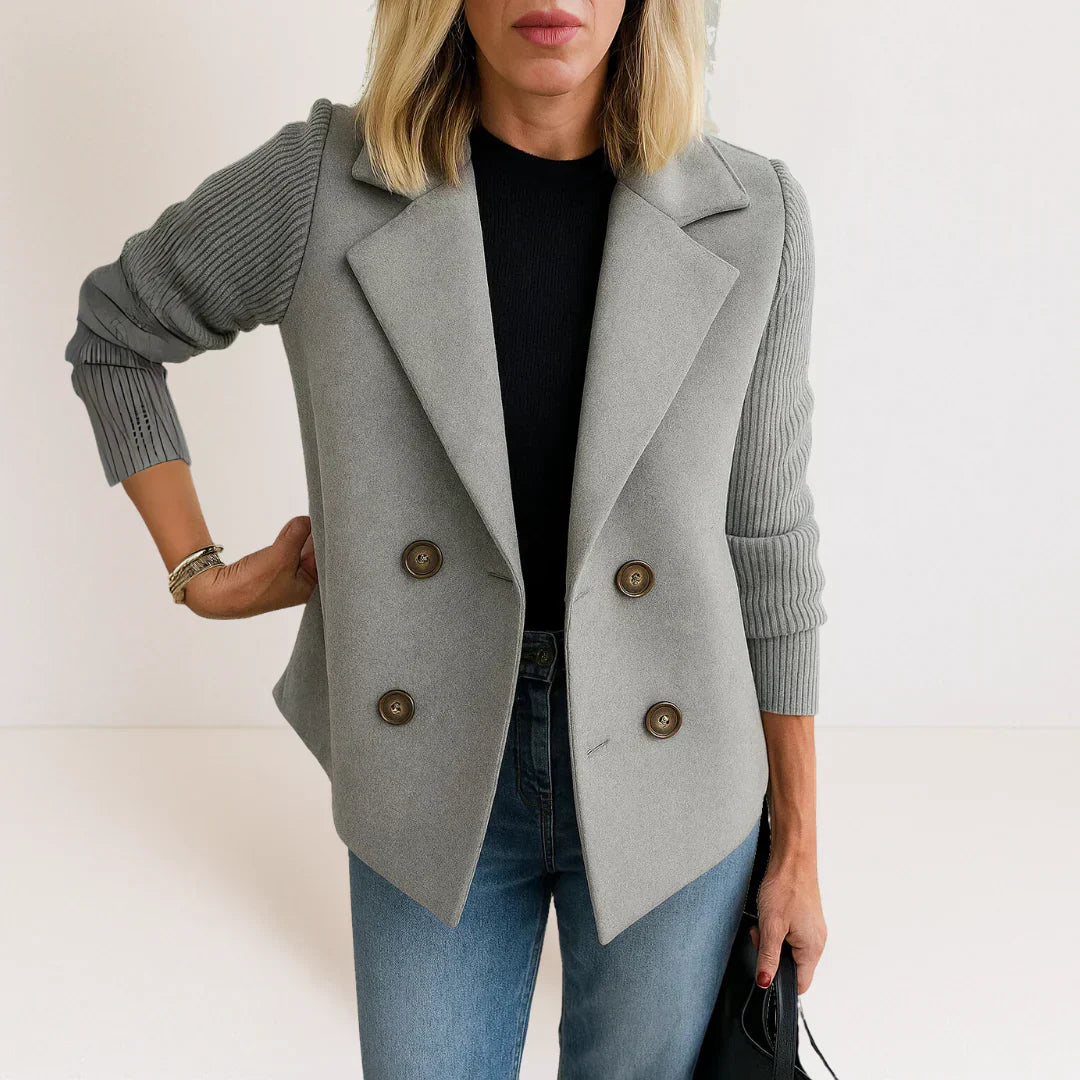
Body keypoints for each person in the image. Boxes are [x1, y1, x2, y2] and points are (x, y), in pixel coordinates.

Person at [64, 1, 828, 1076]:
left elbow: (769, 541)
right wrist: (202, 573)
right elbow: (116, 333)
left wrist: (797, 845)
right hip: (424, 759)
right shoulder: (324, 185)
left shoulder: (752, 213)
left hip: (680, 767)